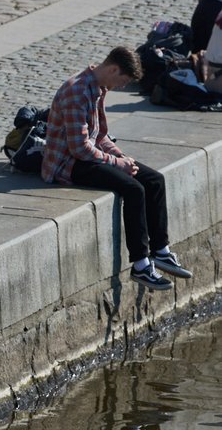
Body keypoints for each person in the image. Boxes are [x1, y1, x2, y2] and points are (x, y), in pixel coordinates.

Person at [41, 46, 192, 290]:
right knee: (133, 189)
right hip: (67, 164)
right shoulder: (76, 92)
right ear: (113, 69)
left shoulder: (98, 87)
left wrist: (122, 157)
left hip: (87, 156)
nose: (122, 87)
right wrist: (116, 164)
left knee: (154, 179)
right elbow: (79, 149)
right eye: (123, 80)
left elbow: (99, 135)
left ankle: (161, 251)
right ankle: (141, 265)